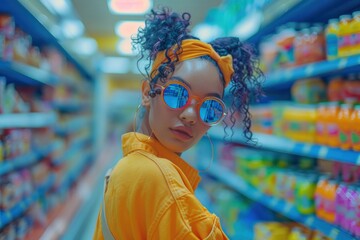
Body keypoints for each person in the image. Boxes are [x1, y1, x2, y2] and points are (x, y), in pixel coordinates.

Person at [93, 7, 263, 240]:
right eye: (177, 93)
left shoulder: (130, 164)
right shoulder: (158, 180)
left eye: (210, 106)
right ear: (147, 93)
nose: (191, 116)